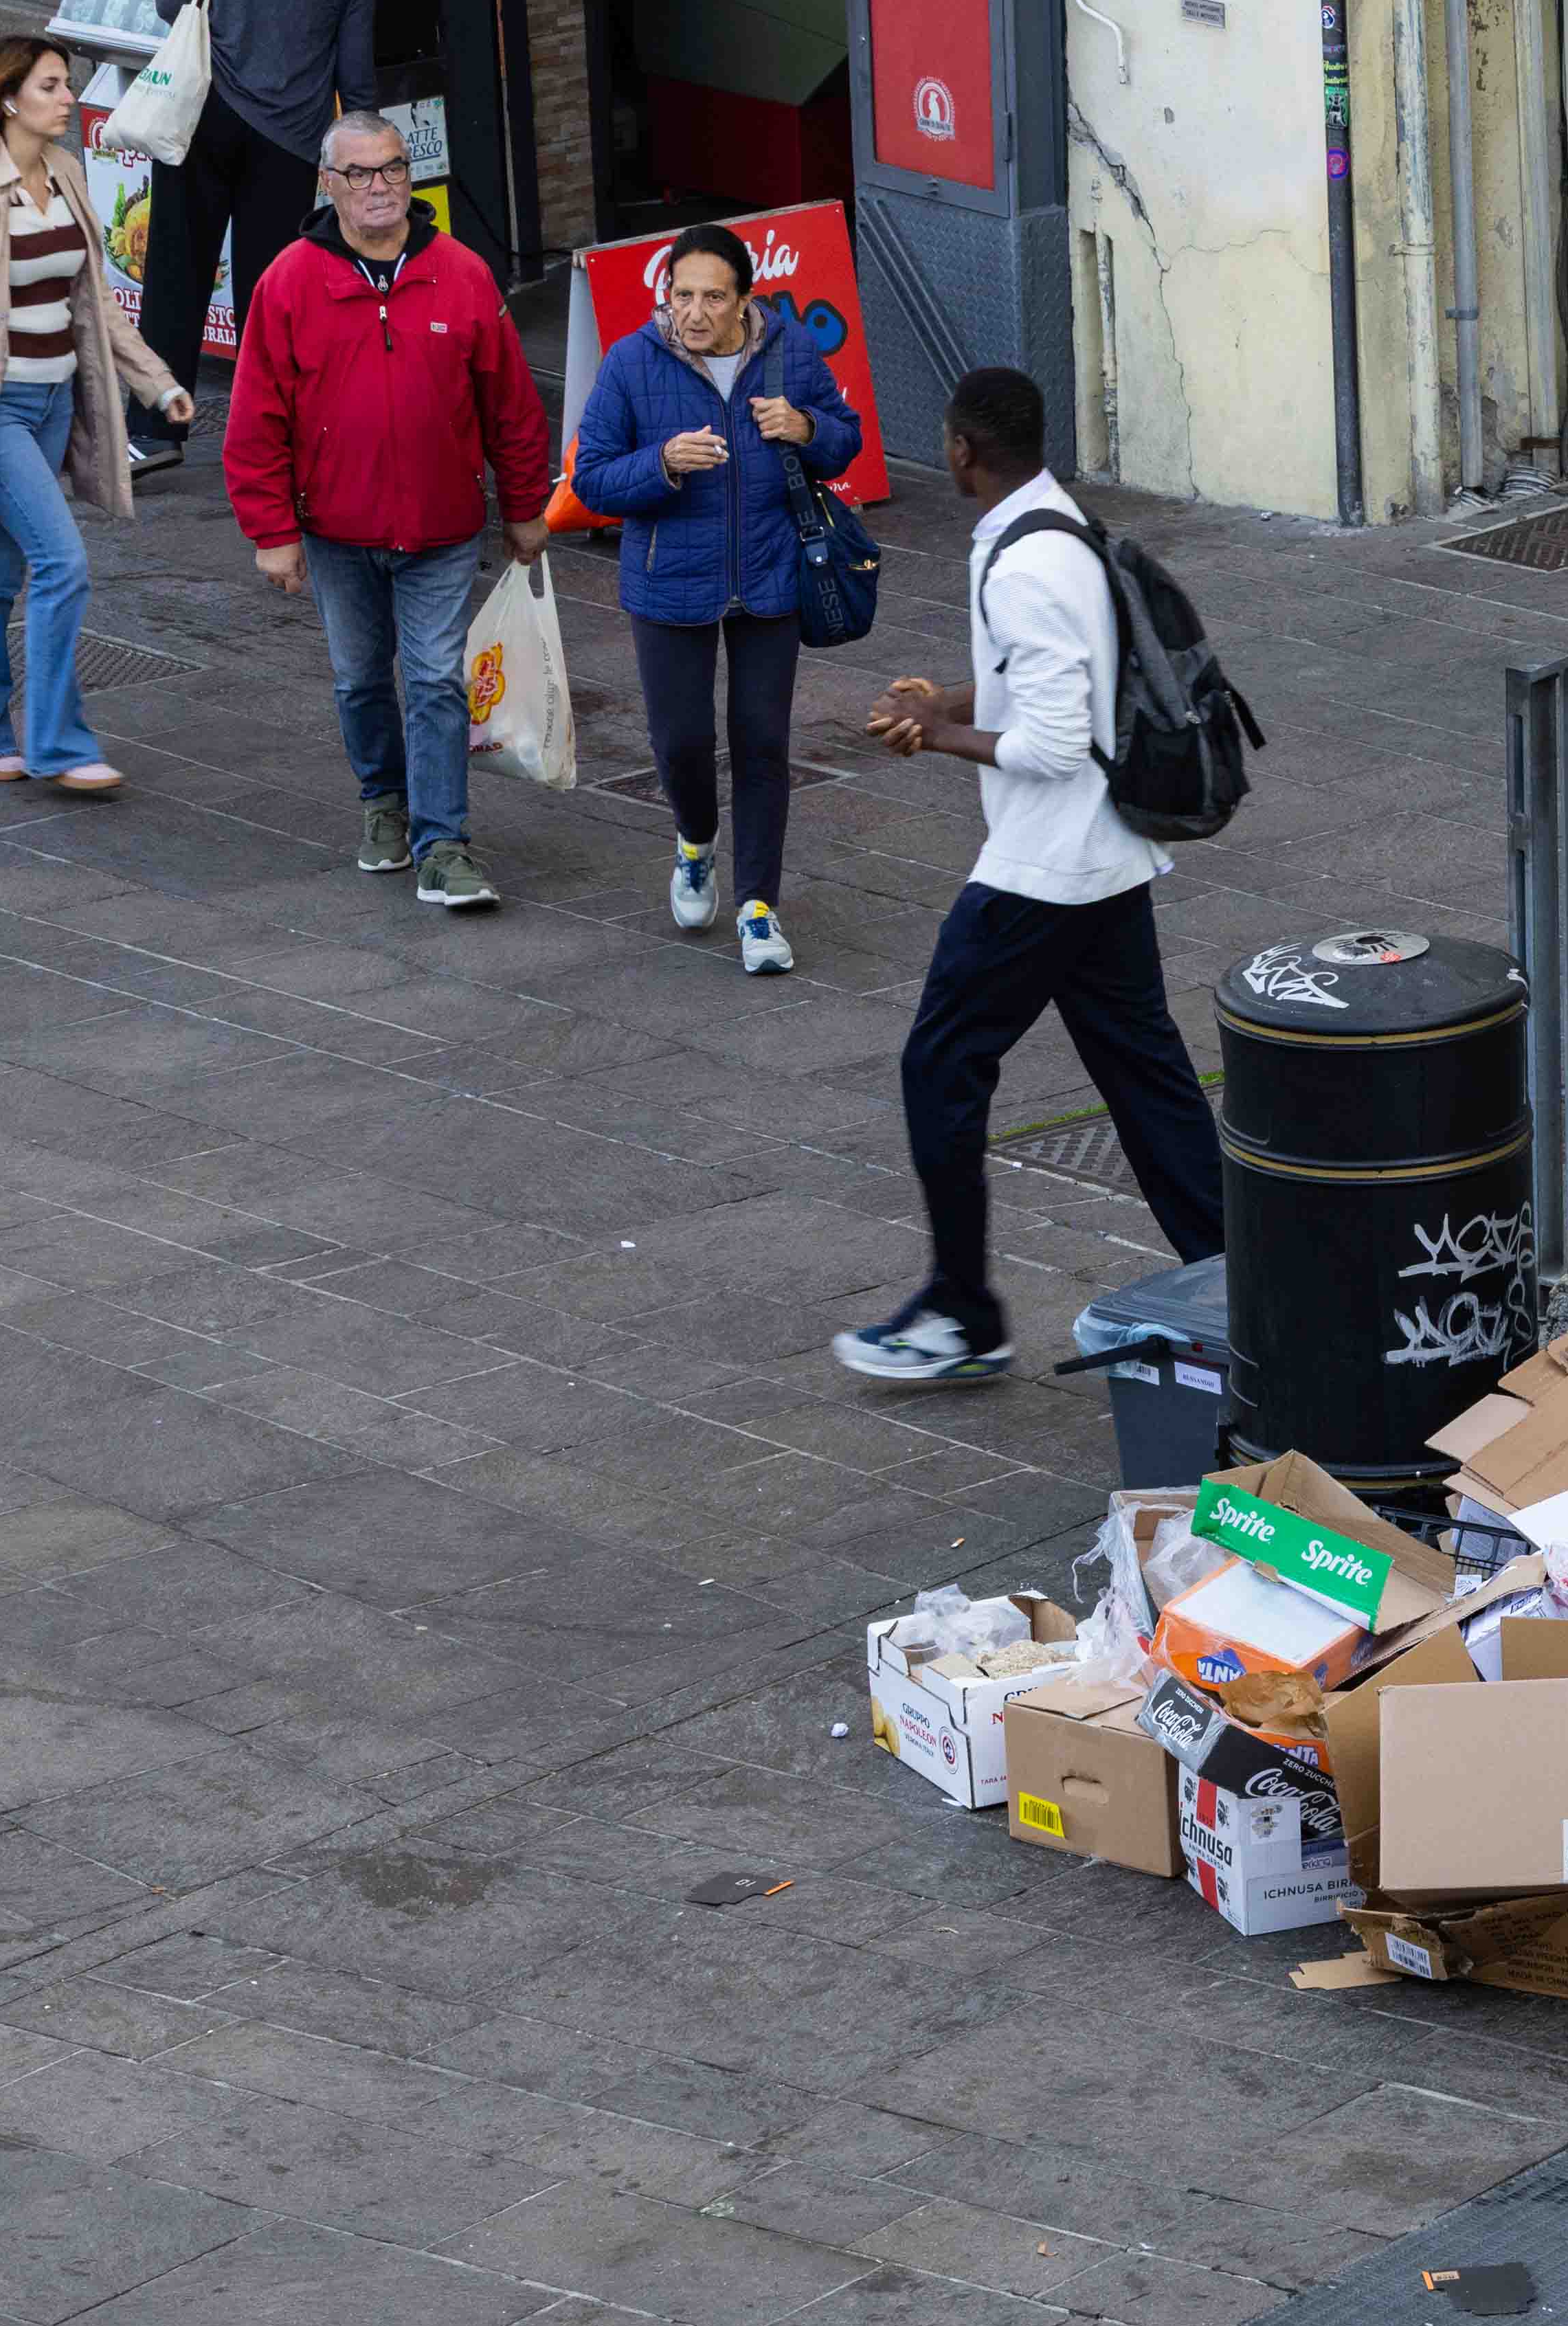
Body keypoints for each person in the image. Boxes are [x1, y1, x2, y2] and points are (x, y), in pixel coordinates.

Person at [835, 366, 1223, 1386]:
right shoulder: (1062, 524)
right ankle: (1253, 1282)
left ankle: (963, 1315)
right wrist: (955, 699)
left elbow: (1050, 742)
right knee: (1149, 1084)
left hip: (1045, 869)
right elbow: (1061, 677)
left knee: (939, 1067)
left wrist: (936, 732)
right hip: (1107, 858)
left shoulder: (1021, 566)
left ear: (962, 450)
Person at [221, 109, 555, 911]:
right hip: (335, 532)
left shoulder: (464, 274)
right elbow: (255, 419)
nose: (381, 186)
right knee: (360, 679)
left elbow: (511, 405)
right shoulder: (288, 282)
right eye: (361, 172)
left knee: (436, 679)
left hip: (442, 528)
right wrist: (272, 532)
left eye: (394, 167)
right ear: (328, 184)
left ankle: (443, 846)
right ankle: (383, 802)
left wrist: (525, 505)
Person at [572, 223, 864, 974]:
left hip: (771, 577)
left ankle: (758, 909)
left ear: (745, 300)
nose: (694, 313)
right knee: (681, 742)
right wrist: (663, 463)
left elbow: (846, 440)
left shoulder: (790, 351)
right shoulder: (632, 361)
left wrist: (805, 426)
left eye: (712, 297)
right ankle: (696, 842)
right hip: (669, 582)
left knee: (762, 743)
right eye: (682, 296)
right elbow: (591, 478)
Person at [0, 35, 196, 796]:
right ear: (8, 99)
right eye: (51, 86)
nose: (69, 98)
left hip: (54, 404)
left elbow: (95, 299)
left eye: (67, 84)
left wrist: (156, 384)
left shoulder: (67, 173)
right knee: (62, 563)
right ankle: (60, 745)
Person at [133, 0, 379, 474]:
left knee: (176, 272)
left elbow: (170, 1)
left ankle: (154, 431)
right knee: (269, 296)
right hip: (289, 141)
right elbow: (357, 79)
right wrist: (365, 162)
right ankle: (264, 437)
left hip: (203, 114)